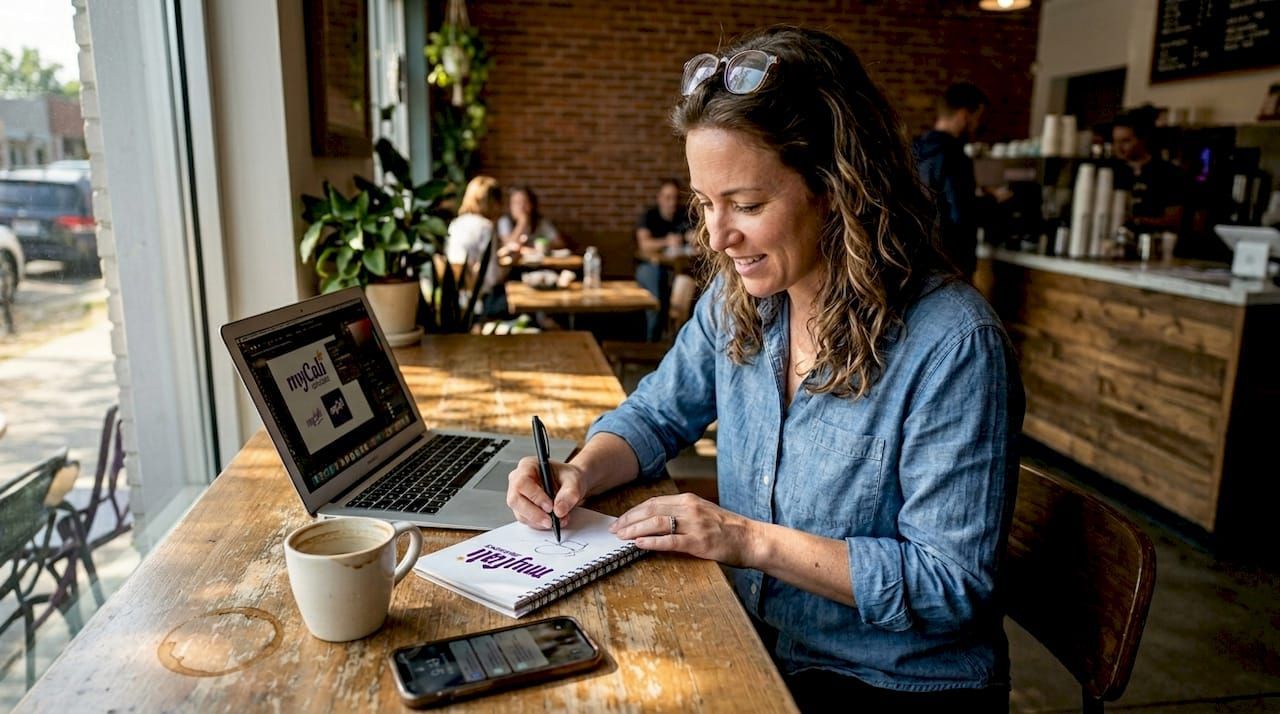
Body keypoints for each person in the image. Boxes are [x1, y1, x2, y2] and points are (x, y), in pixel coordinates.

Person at [506, 26, 1022, 712]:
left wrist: (744, 539)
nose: (718, 237)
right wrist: (581, 470)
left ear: (836, 190)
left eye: (747, 206)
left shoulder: (953, 344)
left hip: (896, 682)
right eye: (705, 204)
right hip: (763, 643)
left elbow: (948, 583)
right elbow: (658, 412)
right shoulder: (739, 300)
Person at [913, 82, 987, 280]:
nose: (977, 125)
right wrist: (992, 202)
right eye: (977, 118)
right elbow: (960, 212)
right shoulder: (955, 155)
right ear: (964, 115)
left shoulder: (915, 149)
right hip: (952, 259)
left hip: (918, 256)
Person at [635, 178, 695, 341]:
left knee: (689, 286)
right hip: (651, 266)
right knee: (657, 294)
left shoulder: (687, 215)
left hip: (681, 268)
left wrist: (695, 238)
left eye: (675, 197)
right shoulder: (650, 216)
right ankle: (652, 343)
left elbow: (701, 240)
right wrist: (666, 241)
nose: (672, 202)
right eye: (668, 197)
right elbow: (644, 244)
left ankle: (677, 342)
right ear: (659, 198)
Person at [445, 175, 509, 316]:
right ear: (493, 202)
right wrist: (510, 265)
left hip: (456, 300)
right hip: (480, 303)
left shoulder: (455, 224)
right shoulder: (486, 227)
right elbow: (492, 278)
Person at [1113, 108, 1184, 233]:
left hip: (1153, 243)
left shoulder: (1168, 173)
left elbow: (1174, 220)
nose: (1118, 147)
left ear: (1142, 139)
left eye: (1125, 141)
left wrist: (1137, 221)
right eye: (1115, 141)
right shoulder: (1112, 172)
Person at [496, 185, 565, 254]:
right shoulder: (504, 221)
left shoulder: (539, 222)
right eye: (517, 203)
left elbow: (559, 243)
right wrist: (522, 223)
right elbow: (507, 245)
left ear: (531, 204)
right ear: (510, 206)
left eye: (524, 202)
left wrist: (541, 246)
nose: (521, 207)